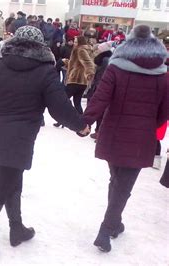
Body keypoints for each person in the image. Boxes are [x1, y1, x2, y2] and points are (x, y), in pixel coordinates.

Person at [0, 26, 90, 253]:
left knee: (12, 177)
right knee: (3, 184)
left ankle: (16, 227)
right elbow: (59, 109)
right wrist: (80, 126)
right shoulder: (45, 71)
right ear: (41, 46)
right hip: (19, 137)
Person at [83, 25, 167, 253]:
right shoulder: (163, 75)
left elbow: (100, 97)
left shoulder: (115, 68)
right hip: (141, 138)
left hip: (113, 134)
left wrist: (86, 120)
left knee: (117, 181)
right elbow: (164, 113)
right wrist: (149, 124)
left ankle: (114, 223)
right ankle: (106, 228)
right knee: (122, 186)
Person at [54, 36, 95, 128]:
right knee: (77, 102)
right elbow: (76, 63)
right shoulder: (86, 49)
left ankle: (63, 120)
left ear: (80, 43)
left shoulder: (80, 50)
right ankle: (84, 123)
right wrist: (65, 62)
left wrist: (90, 73)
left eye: (76, 42)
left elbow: (88, 63)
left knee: (63, 100)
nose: (74, 44)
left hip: (75, 80)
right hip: (82, 82)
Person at [86, 41, 113, 140]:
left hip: (100, 87)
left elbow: (103, 75)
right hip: (98, 85)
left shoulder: (105, 60)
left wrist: (97, 86)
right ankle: (98, 131)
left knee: (100, 111)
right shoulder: (102, 59)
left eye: (98, 49)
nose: (96, 51)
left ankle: (100, 132)